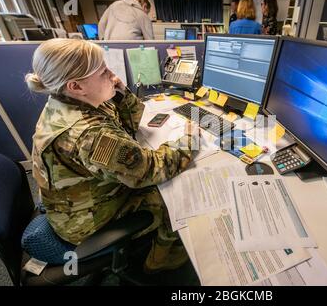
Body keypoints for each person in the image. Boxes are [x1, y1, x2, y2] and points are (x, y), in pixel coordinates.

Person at [25, 38, 200, 273]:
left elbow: (131, 122)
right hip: (86, 222)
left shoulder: (71, 101)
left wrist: (119, 92)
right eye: (102, 72)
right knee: (175, 195)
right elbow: (152, 169)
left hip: (83, 196)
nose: (111, 73)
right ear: (76, 86)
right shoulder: (89, 134)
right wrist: (192, 139)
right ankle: (160, 259)